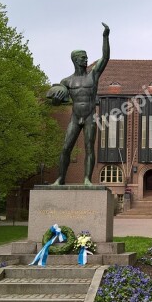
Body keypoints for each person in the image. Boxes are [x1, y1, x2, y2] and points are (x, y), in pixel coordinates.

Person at [51, 23, 110, 185]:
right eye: (83, 57)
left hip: (90, 117)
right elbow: (57, 102)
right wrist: (56, 100)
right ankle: (60, 178)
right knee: (65, 148)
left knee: (89, 148)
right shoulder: (67, 81)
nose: (86, 59)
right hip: (75, 118)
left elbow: (105, 58)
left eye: (86, 57)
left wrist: (105, 37)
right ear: (76, 60)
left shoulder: (93, 76)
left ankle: (87, 179)